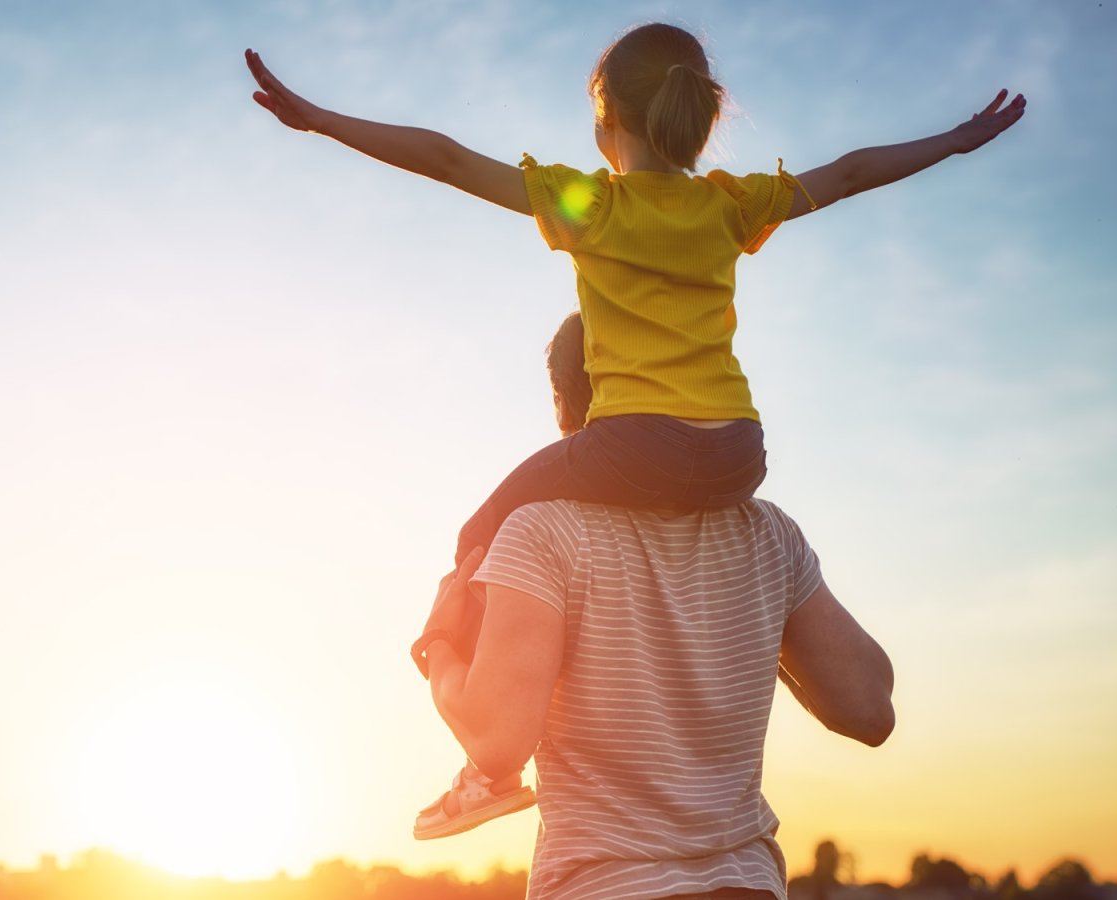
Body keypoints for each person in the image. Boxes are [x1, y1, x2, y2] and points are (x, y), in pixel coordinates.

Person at [245, 22, 1020, 835]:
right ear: (697, 114)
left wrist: (325, 120)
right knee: (573, 510)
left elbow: (445, 158)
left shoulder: (594, 203)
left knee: (483, 528)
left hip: (633, 446)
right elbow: (855, 171)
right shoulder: (732, 204)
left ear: (606, 120)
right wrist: (958, 141)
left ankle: (486, 769)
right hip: (735, 453)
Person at [415, 310, 896, 899]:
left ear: (566, 407)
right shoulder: (768, 533)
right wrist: (759, 620)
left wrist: (437, 642)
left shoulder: (542, 532)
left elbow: (497, 742)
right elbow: (870, 707)